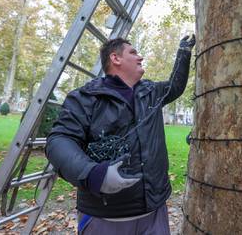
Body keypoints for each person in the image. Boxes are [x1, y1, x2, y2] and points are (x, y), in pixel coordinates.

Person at [46, 35, 194, 234]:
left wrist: (183, 52)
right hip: (104, 219)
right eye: (133, 53)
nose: (140, 57)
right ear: (115, 59)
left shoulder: (151, 92)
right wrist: (92, 174)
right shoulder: (85, 98)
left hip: (154, 214)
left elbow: (175, 86)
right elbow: (59, 140)